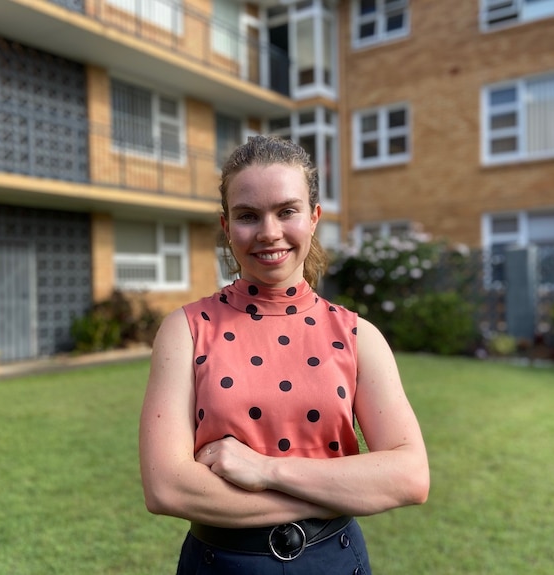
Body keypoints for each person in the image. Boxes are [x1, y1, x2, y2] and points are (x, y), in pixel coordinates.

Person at [139, 135, 429, 574]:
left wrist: (267, 471)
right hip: (221, 565)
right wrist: (338, 489)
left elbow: (409, 477)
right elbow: (167, 487)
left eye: (286, 211)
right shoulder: (186, 331)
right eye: (248, 216)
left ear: (314, 218)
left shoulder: (357, 335)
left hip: (334, 562)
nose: (268, 232)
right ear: (226, 226)